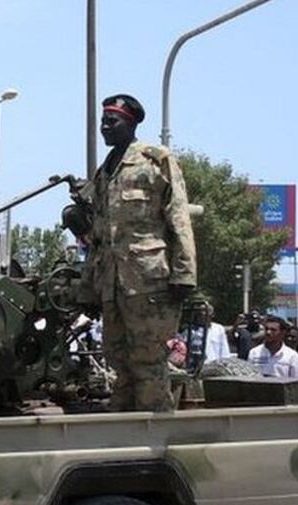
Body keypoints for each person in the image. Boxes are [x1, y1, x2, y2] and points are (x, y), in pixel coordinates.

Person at [78, 94, 196, 412]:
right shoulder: (103, 173)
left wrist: (185, 273)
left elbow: (179, 217)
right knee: (120, 366)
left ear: (130, 123)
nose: (105, 126)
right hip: (113, 286)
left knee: (149, 365)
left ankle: (155, 440)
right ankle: (125, 438)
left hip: (149, 284)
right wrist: (89, 288)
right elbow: (100, 238)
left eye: (112, 121)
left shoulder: (155, 160)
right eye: (103, 121)